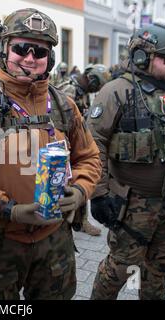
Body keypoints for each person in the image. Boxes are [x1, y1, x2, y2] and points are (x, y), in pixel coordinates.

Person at [0, 8, 101, 300]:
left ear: (49, 58)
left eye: (39, 51)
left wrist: (80, 191)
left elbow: (89, 158)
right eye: (20, 48)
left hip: (55, 241)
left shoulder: (65, 106)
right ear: (4, 49)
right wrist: (6, 208)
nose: (29, 58)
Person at [87, 23, 165, 300]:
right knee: (121, 267)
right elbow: (93, 144)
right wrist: (99, 193)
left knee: (157, 271)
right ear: (141, 57)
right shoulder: (117, 91)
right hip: (133, 205)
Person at [57, 63, 111, 236]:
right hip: (63, 145)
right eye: (97, 85)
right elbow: (60, 121)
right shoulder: (70, 90)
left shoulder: (81, 92)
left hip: (76, 142)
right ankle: (72, 220)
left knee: (80, 182)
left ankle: (79, 221)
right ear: (91, 79)